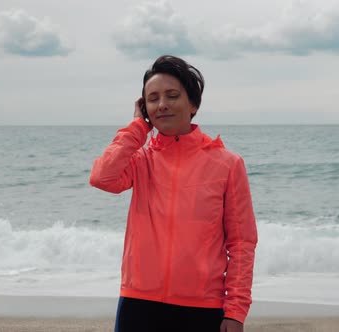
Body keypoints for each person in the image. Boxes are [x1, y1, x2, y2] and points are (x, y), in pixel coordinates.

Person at [89, 55, 257, 332]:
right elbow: (102, 177)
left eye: (172, 95)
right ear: (144, 108)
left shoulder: (227, 164)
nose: (162, 104)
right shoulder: (141, 159)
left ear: (193, 104)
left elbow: (242, 243)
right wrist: (137, 128)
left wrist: (236, 311)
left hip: (202, 308)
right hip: (138, 302)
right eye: (152, 99)